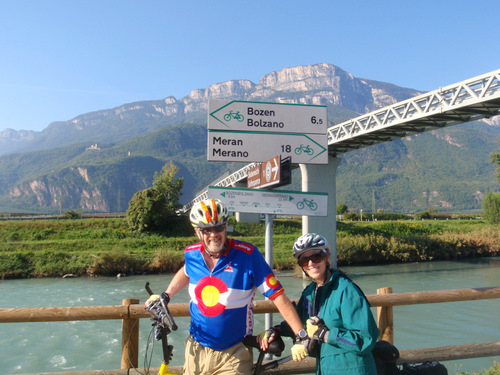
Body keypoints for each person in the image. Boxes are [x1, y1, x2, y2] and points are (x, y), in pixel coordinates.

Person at [146, 199, 309, 375]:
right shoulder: (191, 253)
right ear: (197, 232)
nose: (213, 234)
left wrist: (301, 336)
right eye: (206, 229)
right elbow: (186, 272)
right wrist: (166, 295)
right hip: (196, 348)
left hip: (234, 353)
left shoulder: (247, 254)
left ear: (226, 227)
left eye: (219, 228)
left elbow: (278, 296)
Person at [261, 233, 379, 375]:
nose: (311, 263)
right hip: (325, 368)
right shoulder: (310, 292)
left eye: (316, 257)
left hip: (352, 368)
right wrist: (276, 331)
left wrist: (325, 334)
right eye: (304, 260)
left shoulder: (346, 290)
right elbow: (300, 322)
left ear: (327, 258)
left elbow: (365, 340)